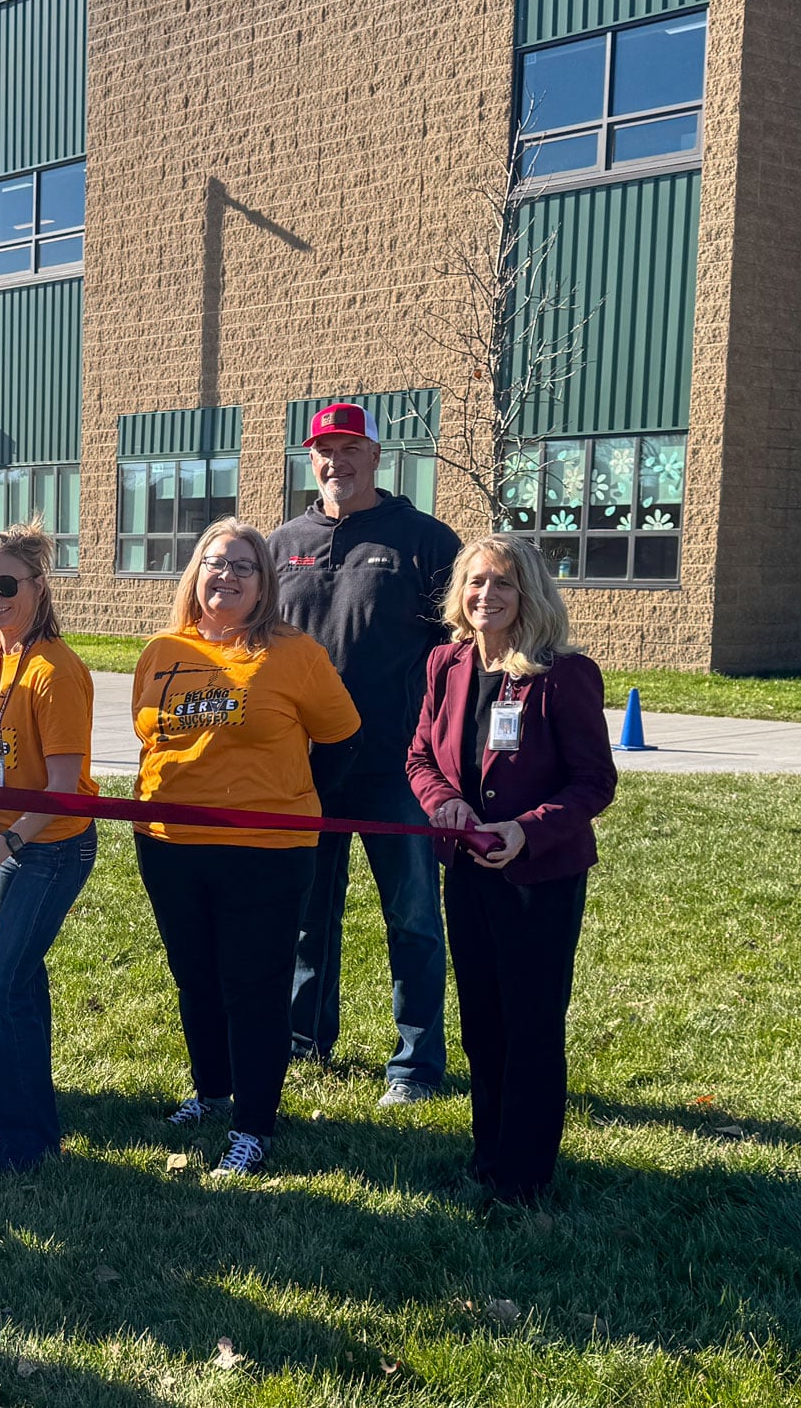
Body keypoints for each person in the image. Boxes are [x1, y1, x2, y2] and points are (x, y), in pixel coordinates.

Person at [129, 518, 362, 1179]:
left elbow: (344, 742)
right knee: (195, 976)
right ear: (194, 575)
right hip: (169, 844)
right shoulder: (162, 649)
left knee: (252, 988)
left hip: (265, 851)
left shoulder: (295, 655)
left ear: (265, 585)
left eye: (242, 566)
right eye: (213, 563)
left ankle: (253, 1126)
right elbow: (152, 738)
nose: (225, 576)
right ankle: (210, 1092)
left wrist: (288, 800)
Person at [406, 534, 615, 1207]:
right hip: (468, 870)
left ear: (529, 593)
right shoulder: (446, 663)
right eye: (474, 583)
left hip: (539, 878)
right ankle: (487, 1154)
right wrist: (447, 803)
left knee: (530, 1022)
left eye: (501, 583)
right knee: (482, 1022)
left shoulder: (562, 675)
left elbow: (594, 783)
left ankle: (523, 1176)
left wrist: (526, 831)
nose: (485, 596)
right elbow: (420, 758)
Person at [270, 401, 461, 1105]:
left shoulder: (425, 541)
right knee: (304, 917)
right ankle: (303, 1040)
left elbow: (461, 650)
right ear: (309, 457)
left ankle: (414, 1064)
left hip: (396, 767)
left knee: (412, 916)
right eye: (323, 449)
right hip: (304, 768)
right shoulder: (280, 542)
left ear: (376, 456)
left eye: (350, 448)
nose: (335, 462)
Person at [0, 524, 98, 1176]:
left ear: (37, 586)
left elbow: (63, 792)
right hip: (8, 842)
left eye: (5, 585)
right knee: (22, 984)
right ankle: (32, 1119)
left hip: (51, 848)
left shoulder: (57, 672)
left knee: (1, 987)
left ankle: (21, 1140)